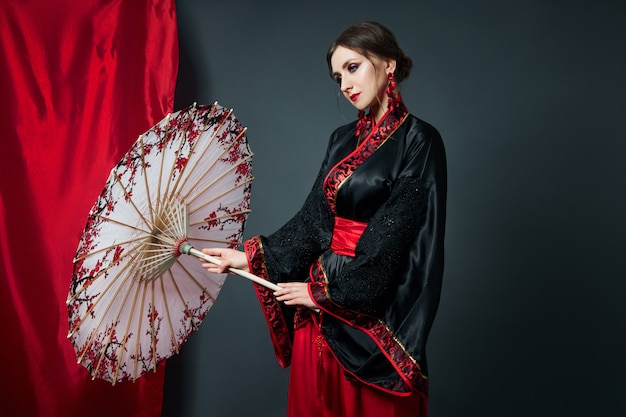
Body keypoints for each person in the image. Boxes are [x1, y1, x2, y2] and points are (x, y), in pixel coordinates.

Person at [201, 20, 447, 417]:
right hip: (318, 306)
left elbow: (396, 234)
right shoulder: (340, 140)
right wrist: (243, 257)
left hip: (368, 310)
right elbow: (315, 221)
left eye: (353, 67)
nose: (345, 84)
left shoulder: (420, 140)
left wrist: (322, 293)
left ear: (388, 65)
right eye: (338, 76)